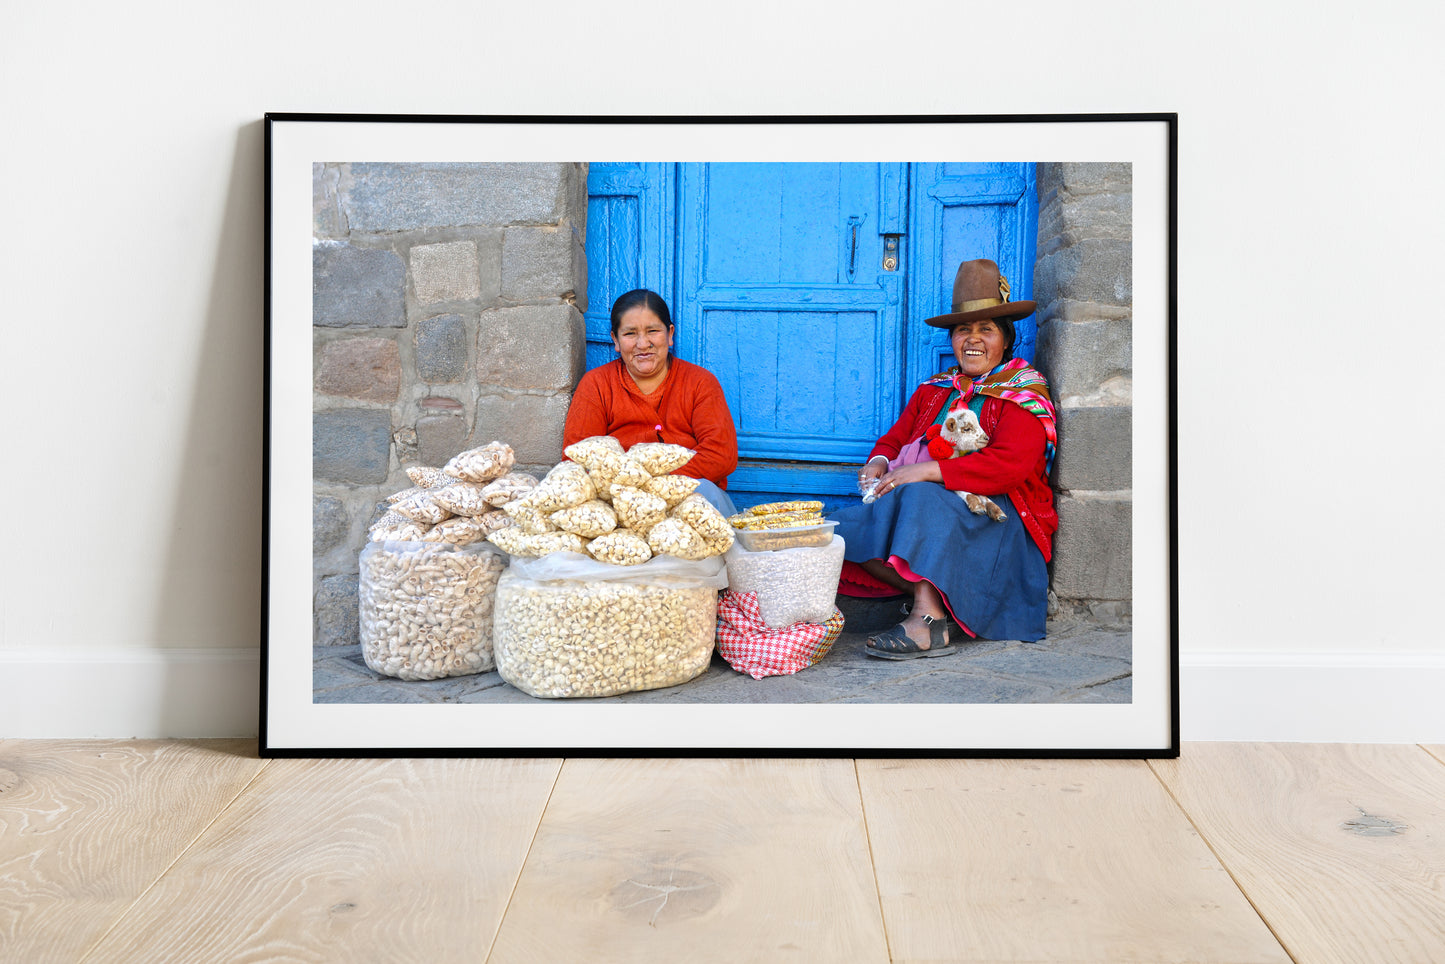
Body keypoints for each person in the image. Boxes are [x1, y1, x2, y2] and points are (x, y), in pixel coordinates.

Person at [830, 259, 1059, 658]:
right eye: (963, 330)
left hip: (999, 520)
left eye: (986, 330)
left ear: (1005, 339)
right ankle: (941, 591)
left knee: (919, 497)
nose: (973, 339)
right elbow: (895, 438)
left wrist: (925, 471)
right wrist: (880, 462)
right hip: (937, 515)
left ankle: (929, 621)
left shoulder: (1022, 393)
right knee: (838, 526)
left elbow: (1010, 467)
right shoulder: (935, 391)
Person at [564, 289, 739, 514]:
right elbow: (576, 458)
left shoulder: (700, 383)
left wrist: (658, 483)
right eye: (630, 334)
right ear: (615, 340)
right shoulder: (597, 385)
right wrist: (629, 488)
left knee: (705, 492)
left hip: (689, 494)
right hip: (621, 502)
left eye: (653, 331)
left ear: (669, 334)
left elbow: (721, 455)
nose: (643, 343)